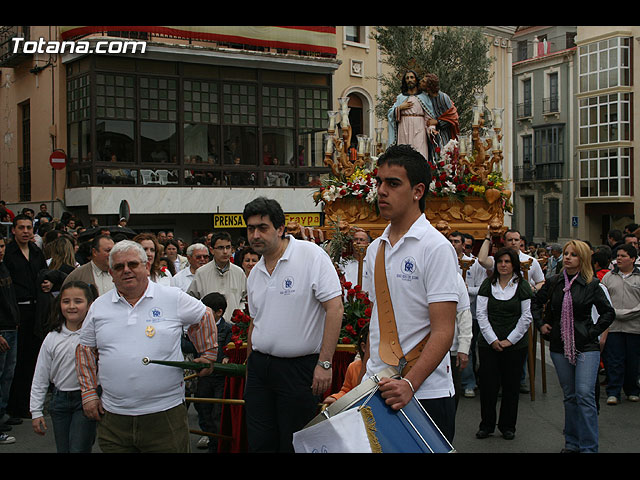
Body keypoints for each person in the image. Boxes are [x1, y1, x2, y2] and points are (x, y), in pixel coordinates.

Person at [75, 240, 217, 453]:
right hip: (114, 418)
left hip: (165, 415)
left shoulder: (171, 297)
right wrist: (88, 394)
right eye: (118, 267)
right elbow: (85, 349)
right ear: (111, 273)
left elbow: (204, 315)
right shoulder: (99, 307)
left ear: (146, 266)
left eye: (132, 264)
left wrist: (207, 353)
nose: (126, 271)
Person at [362, 144, 459, 442]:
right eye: (379, 182)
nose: (381, 191)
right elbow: (374, 322)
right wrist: (361, 380)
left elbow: (445, 329)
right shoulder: (373, 249)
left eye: (393, 183)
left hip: (426, 392)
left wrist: (410, 384)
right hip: (377, 388)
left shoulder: (436, 247)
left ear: (418, 191)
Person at [242, 196, 343, 452]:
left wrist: (325, 363)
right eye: (250, 228)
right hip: (259, 370)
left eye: (262, 228)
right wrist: (249, 362)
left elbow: (335, 308)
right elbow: (255, 321)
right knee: (260, 441)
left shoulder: (310, 255)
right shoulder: (255, 272)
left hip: (299, 370)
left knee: (295, 442)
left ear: (280, 228)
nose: (255, 234)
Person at [532, 240, 614, 453]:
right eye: (566, 253)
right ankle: (572, 444)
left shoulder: (592, 284)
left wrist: (592, 332)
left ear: (583, 259)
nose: (567, 257)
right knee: (570, 396)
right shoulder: (554, 282)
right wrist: (541, 325)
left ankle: (589, 447)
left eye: (573, 254)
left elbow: (608, 313)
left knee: (584, 394)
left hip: (586, 346)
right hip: (560, 345)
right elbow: (535, 303)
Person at [30, 281, 99, 453]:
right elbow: (40, 375)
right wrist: (36, 411)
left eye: (78, 301)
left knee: (78, 448)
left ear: (90, 305)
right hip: (59, 401)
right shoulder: (52, 337)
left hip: (85, 400)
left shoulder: (94, 336)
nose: (72, 306)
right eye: (66, 301)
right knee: (64, 449)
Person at [475, 247, 533, 440]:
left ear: (514, 264)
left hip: (515, 346)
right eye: (500, 262)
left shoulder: (522, 286)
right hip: (488, 344)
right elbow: (481, 314)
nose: (503, 265)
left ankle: (508, 426)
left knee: (511, 386)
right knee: (488, 386)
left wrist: (509, 340)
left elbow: (526, 316)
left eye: (507, 262)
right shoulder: (487, 285)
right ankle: (487, 424)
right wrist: (493, 340)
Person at [3, 214, 47, 420]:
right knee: (14, 364)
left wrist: (48, 283)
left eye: (29, 227)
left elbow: (45, 275)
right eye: (21, 227)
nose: (26, 231)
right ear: (13, 230)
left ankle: (29, 405)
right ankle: (12, 407)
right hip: (15, 313)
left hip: (35, 311)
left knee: (32, 360)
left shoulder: (37, 252)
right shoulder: (8, 254)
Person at [601, 243, 640, 405]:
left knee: (633, 361)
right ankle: (613, 392)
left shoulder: (638, 277)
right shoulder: (609, 277)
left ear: (632, 259)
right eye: (617, 256)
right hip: (614, 326)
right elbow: (602, 299)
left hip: (635, 326)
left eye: (623, 256)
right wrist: (613, 314)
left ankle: (632, 390)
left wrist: (627, 313)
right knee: (614, 360)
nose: (619, 259)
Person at [194, 292, 231, 453]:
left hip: (219, 377)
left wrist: (228, 357)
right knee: (203, 408)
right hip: (204, 376)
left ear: (219, 312)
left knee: (218, 412)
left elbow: (231, 348)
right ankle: (209, 437)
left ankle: (217, 445)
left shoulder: (228, 328)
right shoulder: (198, 326)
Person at [187, 231, 247, 324]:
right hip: (208, 327)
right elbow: (191, 300)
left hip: (233, 328)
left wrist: (239, 314)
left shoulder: (239, 272)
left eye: (228, 247)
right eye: (220, 248)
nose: (225, 252)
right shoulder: (202, 272)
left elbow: (245, 299)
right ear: (212, 250)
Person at [387, 70, 438, 162]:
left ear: (416, 80)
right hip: (404, 128)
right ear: (405, 81)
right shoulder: (400, 97)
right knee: (403, 155)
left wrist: (431, 127)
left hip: (419, 128)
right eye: (407, 78)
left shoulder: (424, 97)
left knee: (420, 152)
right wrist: (400, 108)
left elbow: (429, 115)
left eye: (412, 77)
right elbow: (390, 114)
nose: (409, 80)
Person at [0, 236, 19, 444]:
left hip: (11, 327)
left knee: (7, 375)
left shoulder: (4, 268)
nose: (1, 250)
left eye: (2, 246)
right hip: (2, 331)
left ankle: (2, 414)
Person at [323, 323, 369, 405]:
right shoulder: (354, 367)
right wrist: (336, 398)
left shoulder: (392, 367)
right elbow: (346, 391)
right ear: (364, 347)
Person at [420, 73, 460, 156]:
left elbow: (453, 117)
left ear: (429, 86)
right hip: (432, 134)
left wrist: (438, 122)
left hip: (445, 134)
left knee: (444, 155)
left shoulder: (443, 98)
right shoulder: (426, 98)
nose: (420, 82)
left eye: (423, 81)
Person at [339, 228, 371, 294]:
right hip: (347, 302)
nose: (358, 242)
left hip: (367, 302)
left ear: (368, 244)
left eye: (362, 240)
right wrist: (340, 235)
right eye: (356, 239)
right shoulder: (344, 262)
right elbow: (329, 255)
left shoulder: (373, 262)